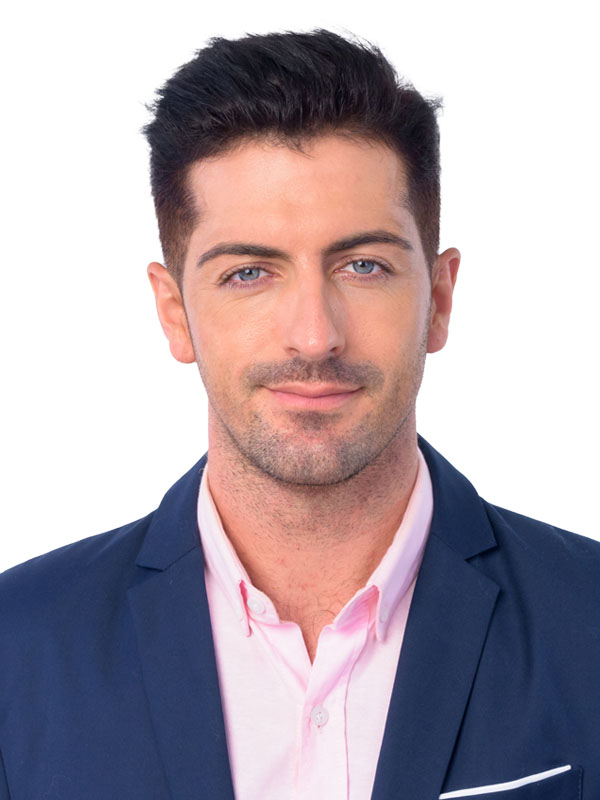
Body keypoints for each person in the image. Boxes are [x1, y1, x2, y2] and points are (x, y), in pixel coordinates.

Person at [0, 28, 598, 800]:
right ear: (174, 313)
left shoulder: (587, 623)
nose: (314, 336)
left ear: (440, 299)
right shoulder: (18, 649)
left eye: (363, 265)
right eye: (249, 272)